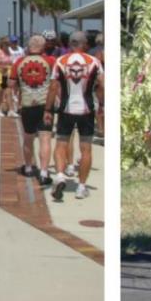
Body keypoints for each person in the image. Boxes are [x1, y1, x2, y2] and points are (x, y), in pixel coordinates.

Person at [49, 30, 103, 201]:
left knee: (61, 144)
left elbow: (53, 87)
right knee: (86, 149)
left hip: (66, 109)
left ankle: (60, 176)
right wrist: (102, 104)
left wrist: (48, 110)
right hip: (86, 110)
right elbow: (102, 85)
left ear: (70, 43)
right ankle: (81, 187)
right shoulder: (94, 61)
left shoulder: (60, 61)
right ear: (84, 44)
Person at [13, 34, 58, 186]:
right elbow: (55, 83)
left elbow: (11, 83)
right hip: (45, 104)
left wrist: (20, 90)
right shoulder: (50, 61)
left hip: (27, 104)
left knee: (28, 137)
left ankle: (28, 167)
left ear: (29, 47)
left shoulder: (19, 62)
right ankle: (44, 172)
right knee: (45, 138)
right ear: (43, 47)